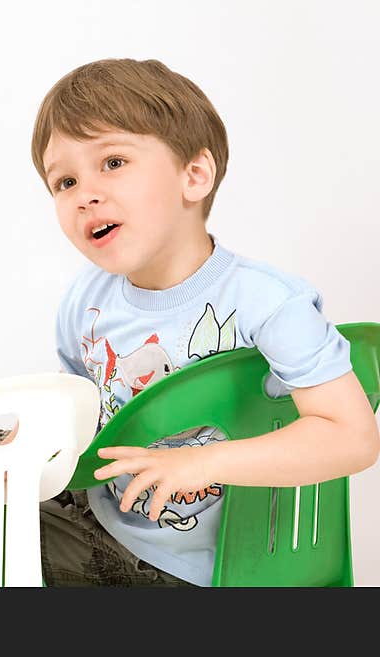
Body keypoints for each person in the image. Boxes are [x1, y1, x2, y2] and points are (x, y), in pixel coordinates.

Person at [31, 58, 380, 586]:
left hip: (206, 569)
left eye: (114, 162)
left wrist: (204, 462)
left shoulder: (267, 302)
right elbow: (77, 420)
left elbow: (352, 438)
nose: (86, 193)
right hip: (103, 524)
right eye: (65, 181)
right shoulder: (86, 300)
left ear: (194, 175)